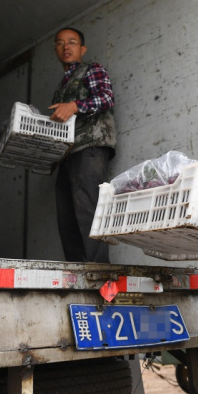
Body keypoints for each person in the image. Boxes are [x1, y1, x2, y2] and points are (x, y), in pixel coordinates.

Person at [48, 28, 117, 263]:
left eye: (72, 42)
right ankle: (77, 269)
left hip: (90, 149)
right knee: (66, 216)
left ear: (82, 49)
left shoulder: (92, 69)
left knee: (88, 209)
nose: (66, 47)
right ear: (56, 50)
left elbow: (106, 98)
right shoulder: (61, 87)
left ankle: (98, 268)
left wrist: (74, 106)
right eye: (60, 44)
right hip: (67, 155)